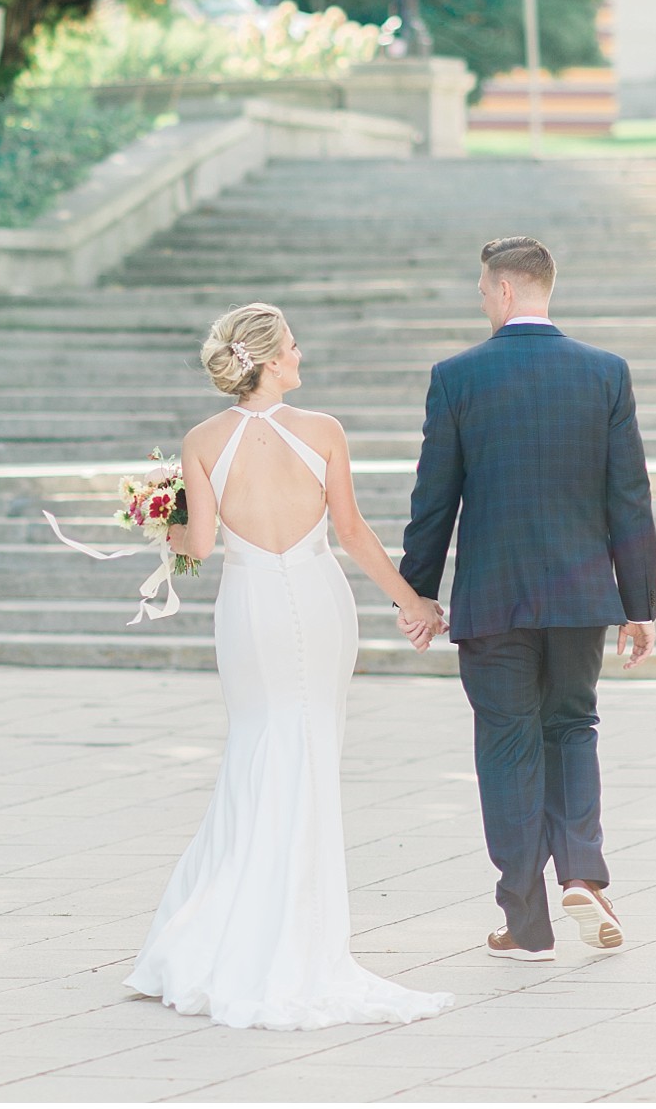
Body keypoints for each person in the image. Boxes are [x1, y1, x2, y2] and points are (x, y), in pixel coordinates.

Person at [122, 301, 456, 1031]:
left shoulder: (203, 440)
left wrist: (158, 517)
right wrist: (415, 602)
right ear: (270, 360)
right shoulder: (323, 431)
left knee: (254, 747)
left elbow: (197, 547)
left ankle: (223, 923)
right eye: (294, 348)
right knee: (308, 752)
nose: (301, 357)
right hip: (317, 597)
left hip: (247, 608)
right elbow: (353, 530)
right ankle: (295, 930)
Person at [398, 237, 656, 963]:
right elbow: (629, 498)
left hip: (493, 594)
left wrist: (418, 592)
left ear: (506, 291)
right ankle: (582, 872)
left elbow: (433, 500)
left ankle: (526, 920)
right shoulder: (605, 373)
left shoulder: (457, 376)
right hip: (581, 596)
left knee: (507, 742)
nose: (482, 300)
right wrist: (639, 604)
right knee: (573, 726)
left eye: (483, 290)